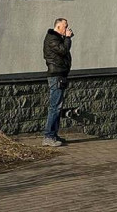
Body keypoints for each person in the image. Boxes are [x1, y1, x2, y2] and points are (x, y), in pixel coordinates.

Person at [42, 17, 73, 147]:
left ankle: (53, 134)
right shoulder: (52, 39)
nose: (67, 29)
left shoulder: (57, 39)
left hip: (60, 74)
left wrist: (66, 39)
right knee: (55, 107)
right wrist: (67, 38)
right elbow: (63, 50)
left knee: (58, 106)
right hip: (56, 76)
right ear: (58, 26)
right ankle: (48, 136)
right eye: (65, 26)